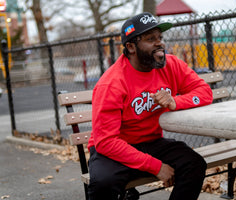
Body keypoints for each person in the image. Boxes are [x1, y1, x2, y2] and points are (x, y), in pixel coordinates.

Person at [87, 12, 213, 200]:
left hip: (151, 142)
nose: (159, 43)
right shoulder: (111, 83)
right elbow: (105, 142)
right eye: (150, 39)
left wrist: (174, 101)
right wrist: (156, 166)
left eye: (160, 38)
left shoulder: (171, 65)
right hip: (114, 148)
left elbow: (204, 92)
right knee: (103, 184)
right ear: (131, 47)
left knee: (194, 164)